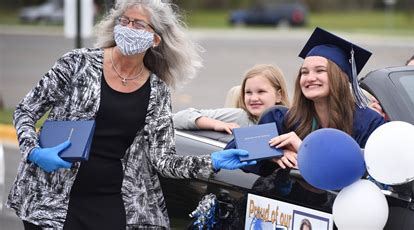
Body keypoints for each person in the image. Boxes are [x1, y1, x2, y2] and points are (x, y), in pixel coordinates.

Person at [7, 1, 254, 229]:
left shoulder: (157, 90)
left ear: (155, 39)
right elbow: (26, 110)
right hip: (52, 198)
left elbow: (163, 160)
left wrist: (213, 161)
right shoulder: (77, 63)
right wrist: (34, 152)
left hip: (111, 200)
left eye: (137, 23)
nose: (128, 27)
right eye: (123, 21)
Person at [252, 27, 386, 170]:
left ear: (340, 77)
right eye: (304, 72)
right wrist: (276, 153)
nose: (310, 78)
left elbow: (365, 170)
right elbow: (244, 145)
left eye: (320, 70)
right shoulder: (288, 119)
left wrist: (304, 150)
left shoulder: (367, 123)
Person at [173, 64, 290, 134]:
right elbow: (177, 118)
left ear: (279, 95)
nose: (254, 98)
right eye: (248, 92)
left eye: (261, 92)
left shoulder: (290, 121)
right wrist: (215, 124)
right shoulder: (240, 117)